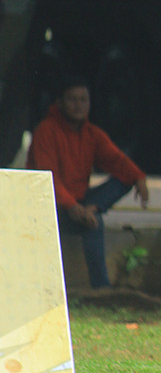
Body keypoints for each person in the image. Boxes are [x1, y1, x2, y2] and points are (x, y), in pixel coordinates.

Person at [26, 75, 149, 288]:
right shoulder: (46, 131)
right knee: (94, 223)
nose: (79, 105)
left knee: (124, 180)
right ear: (60, 102)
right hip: (50, 205)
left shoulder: (92, 133)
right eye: (72, 99)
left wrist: (139, 177)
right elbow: (47, 179)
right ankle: (101, 289)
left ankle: (92, 209)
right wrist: (72, 207)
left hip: (81, 200)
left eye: (84, 100)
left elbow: (116, 160)